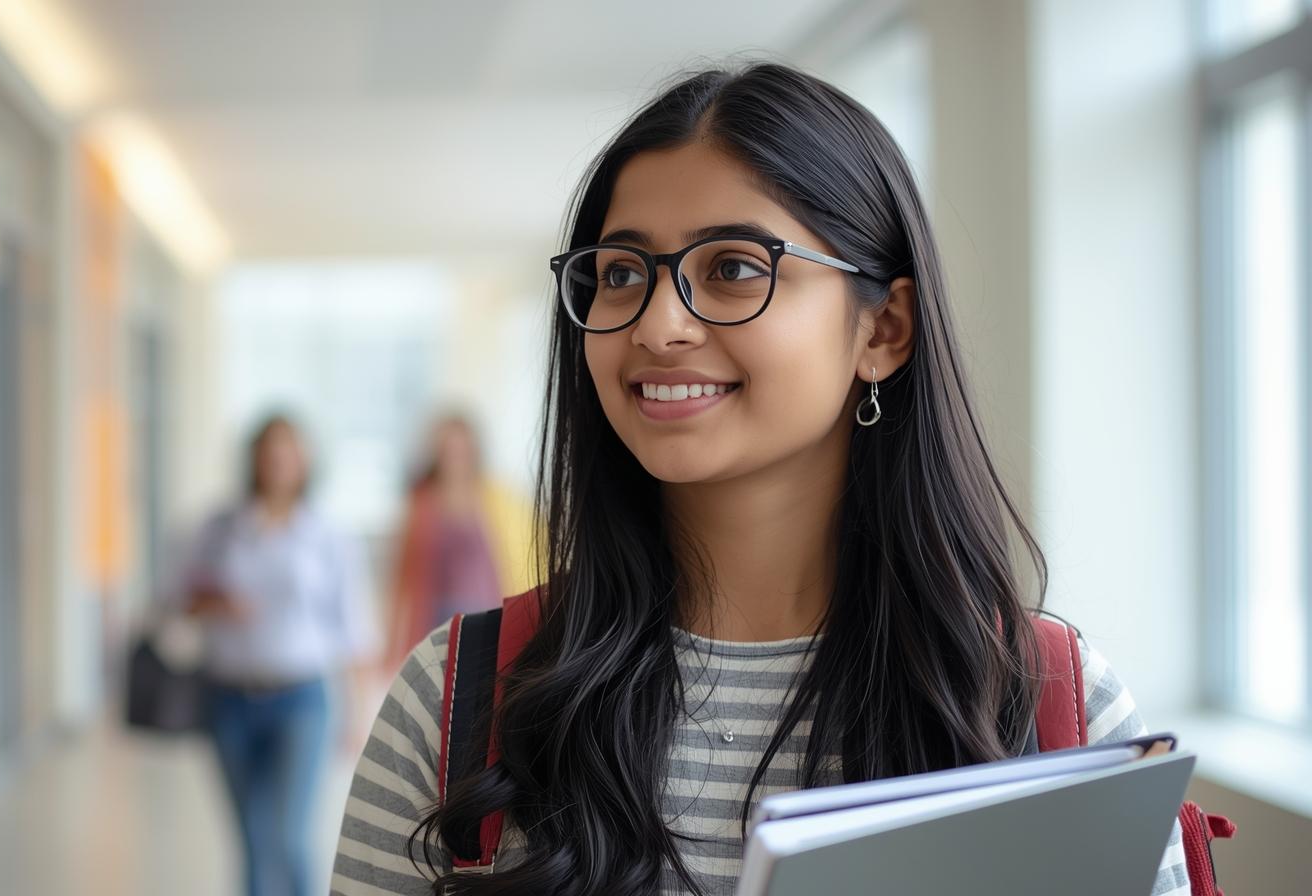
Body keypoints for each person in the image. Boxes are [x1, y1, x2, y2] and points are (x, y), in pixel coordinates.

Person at [331, 62, 1190, 896]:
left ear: (883, 328)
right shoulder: (458, 699)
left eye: (734, 267)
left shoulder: (1047, 706)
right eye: (622, 273)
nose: (659, 325)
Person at [181, 414, 377, 896]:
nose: (278, 461)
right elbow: (177, 599)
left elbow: (354, 630)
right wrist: (217, 603)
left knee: (289, 836)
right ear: (254, 457)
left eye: (289, 450)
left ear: (306, 461)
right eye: (269, 450)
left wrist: (355, 715)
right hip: (229, 698)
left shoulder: (328, 536)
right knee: (252, 838)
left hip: (301, 700)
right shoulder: (220, 528)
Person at [384, 414, 534, 673]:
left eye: (460, 450)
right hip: (436, 620)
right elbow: (404, 576)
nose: (454, 458)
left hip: (488, 614)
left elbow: (519, 557)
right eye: (447, 450)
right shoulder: (421, 504)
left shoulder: (495, 498)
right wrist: (391, 643)